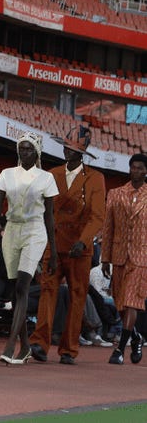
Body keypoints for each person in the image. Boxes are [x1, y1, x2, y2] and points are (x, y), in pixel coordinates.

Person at [28, 130, 106, 365]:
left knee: (77, 296)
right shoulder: (52, 174)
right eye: (66, 146)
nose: (67, 150)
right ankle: (39, 343)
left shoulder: (95, 178)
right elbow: (43, 211)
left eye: (72, 148)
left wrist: (84, 240)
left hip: (79, 249)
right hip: (53, 244)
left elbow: (97, 216)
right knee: (47, 292)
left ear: (81, 153)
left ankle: (69, 349)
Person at [0, 132, 59, 364]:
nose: (24, 152)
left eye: (28, 149)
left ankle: (10, 346)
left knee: (23, 286)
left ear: (36, 152)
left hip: (35, 231)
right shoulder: (7, 174)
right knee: (16, 289)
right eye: (21, 148)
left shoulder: (46, 178)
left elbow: (50, 218)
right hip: (12, 231)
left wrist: (53, 252)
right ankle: (25, 346)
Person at [101, 153, 147, 365]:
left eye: (140, 168)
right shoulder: (115, 194)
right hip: (118, 256)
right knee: (120, 303)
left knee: (131, 302)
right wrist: (104, 258)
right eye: (133, 167)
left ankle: (119, 349)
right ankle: (136, 337)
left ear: (146, 171)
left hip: (141, 257)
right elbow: (108, 228)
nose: (136, 171)